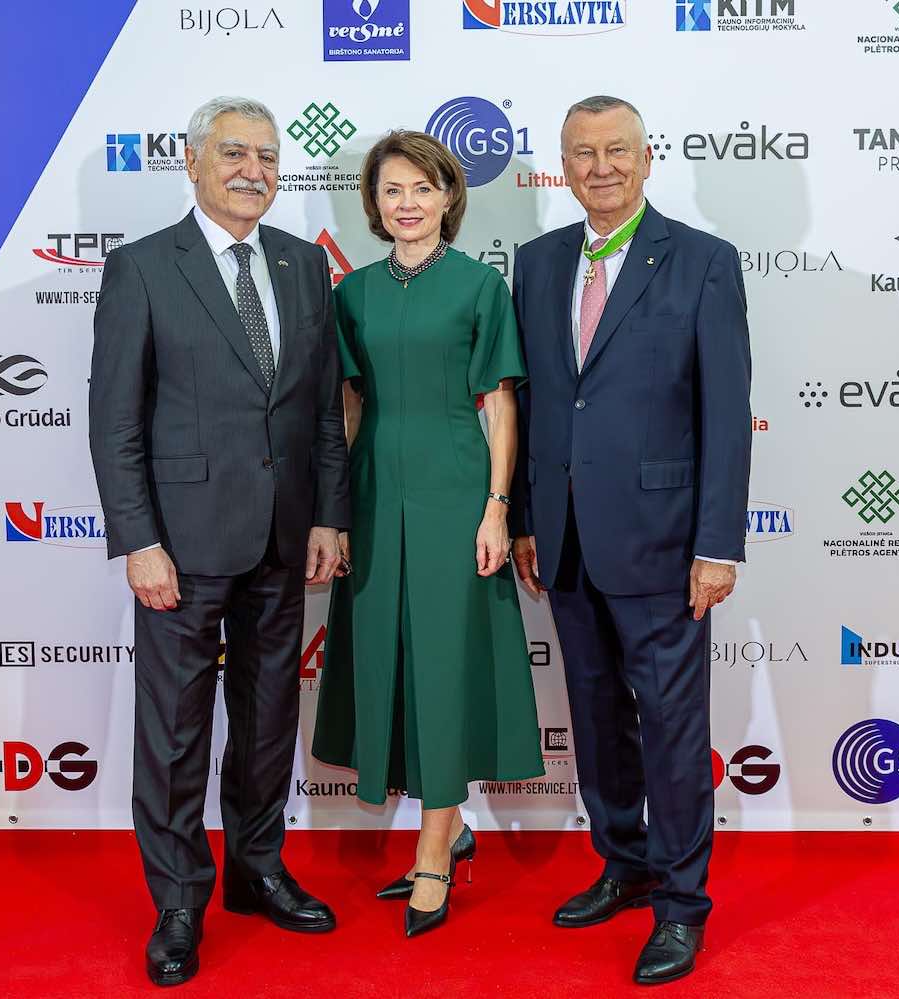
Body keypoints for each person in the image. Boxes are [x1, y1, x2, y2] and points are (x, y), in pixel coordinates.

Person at [89, 95, 350, 988]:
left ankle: (256, 868)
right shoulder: (141, 267)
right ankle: (177, 900)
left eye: (267, 157)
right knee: (173, 732)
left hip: (283, 536)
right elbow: (115, 422)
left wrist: (327, 515)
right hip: (181, 545)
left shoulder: (301, 265)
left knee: (269, 719)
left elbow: (320, 409)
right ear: (192, 162)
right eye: (234, 153)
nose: (253, 170)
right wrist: (138, 540)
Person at [509, 96, 752, 986]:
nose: (600, 166)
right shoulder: (536, 262)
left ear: (647, 159)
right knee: (596, 716)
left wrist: (716, 544)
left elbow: (725, 413)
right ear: (562, 165)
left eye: (617, 150)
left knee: (673, 729)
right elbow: (535, 400)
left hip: (663, 543)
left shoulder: (702, 261)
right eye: (583, 152)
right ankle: (624, 861)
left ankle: (682, 905)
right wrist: (527, 519)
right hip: (565, 538)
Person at [311, 130, 544, 938]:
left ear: (449, 196)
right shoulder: (351, 293)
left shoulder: (480, 286)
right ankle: (450, 825)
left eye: (421, 188)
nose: (406, 203)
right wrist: (337, 509)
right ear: (372, 205)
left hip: (454, 491)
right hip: (375, 492)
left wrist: (496, 506)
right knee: (393, 661)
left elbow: (500, 405)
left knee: (444, 666)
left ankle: (435, 848)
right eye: (391, 190)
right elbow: (347, 407)